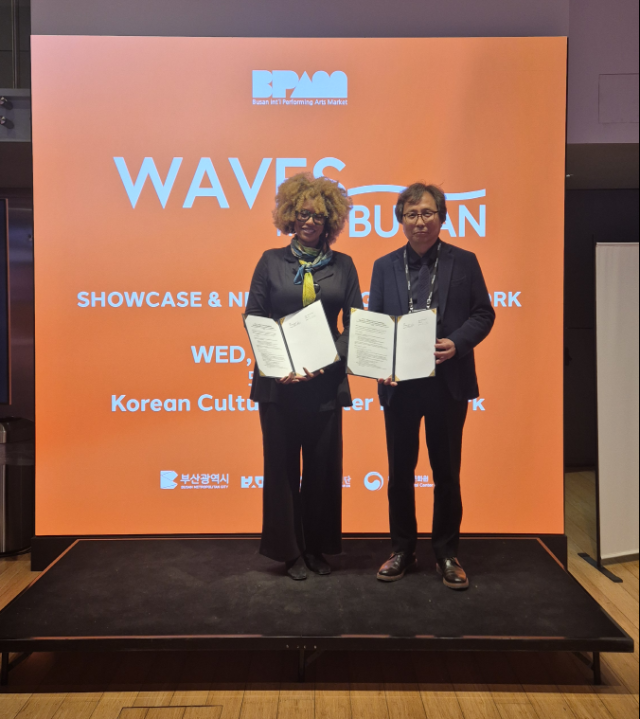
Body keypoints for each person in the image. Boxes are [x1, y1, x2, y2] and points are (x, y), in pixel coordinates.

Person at [368, 183, 495, 588]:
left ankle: (447, 553)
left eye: (427, 213)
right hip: (400, 386)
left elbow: (484, 313)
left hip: (447, 383)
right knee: (399, 473)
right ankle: (402, 550)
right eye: (411, 214)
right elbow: (376, 324)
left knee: (447, 473)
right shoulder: (384, 265)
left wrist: (457, 343)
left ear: (441, 217)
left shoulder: (465, 261)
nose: (419, 221)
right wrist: (380, 363)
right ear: (401, 220)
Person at [246, 173, 362, 580]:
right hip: (279, 385)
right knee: (281, 470)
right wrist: (280, 366)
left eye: (317, 215)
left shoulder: (344, 266)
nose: (309, 221)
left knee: (322, 469)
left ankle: (315, 548)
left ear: (331, 220)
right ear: (289, 217)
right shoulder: (270, 261)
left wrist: (327, 361)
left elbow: (355, 324)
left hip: (324, 384)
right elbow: (255, 317)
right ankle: (289, 552)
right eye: (302, 213)